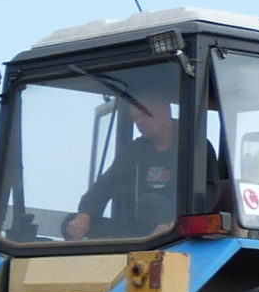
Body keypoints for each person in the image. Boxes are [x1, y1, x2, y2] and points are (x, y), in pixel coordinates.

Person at [64, 93, 181, 240]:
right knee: (69, 223)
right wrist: (84, 215)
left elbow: (203, 197)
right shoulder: (136, 149)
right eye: (135, 118)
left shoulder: (193, 146)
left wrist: (170, 224)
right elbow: (106, 183)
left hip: (176, 231)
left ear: (165, 110)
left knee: (150, 202)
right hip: (136, 230)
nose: (140, 122)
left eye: (144, 114)